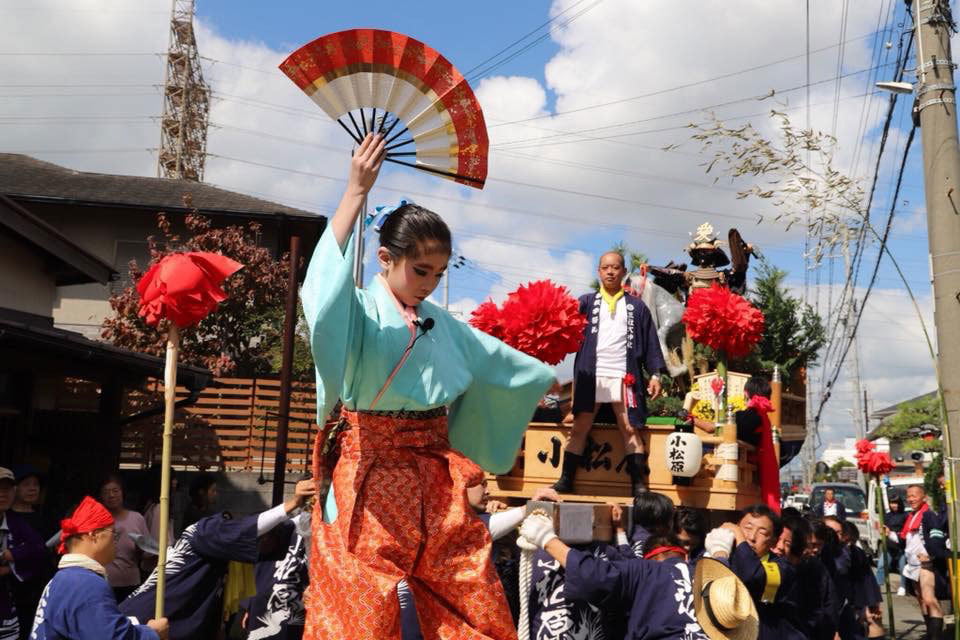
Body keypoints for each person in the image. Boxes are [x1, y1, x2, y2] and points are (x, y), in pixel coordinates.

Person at [298, 133, 554, 640]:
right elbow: (322, 300)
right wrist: (354, 191)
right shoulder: (360, 311)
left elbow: (501, 367)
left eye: (438, 273)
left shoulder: (443, 323)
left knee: (472, 599)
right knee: (359, 612)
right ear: (384, 259)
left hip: (436, 476)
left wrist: (550, 380)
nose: (429, 283)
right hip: (368, 474)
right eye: (420, 270)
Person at [120, 480, 314, 639]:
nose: (259, 546)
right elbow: (250, 528)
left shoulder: (219, 549)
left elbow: (287, 526)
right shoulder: (204, 533)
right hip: (144, 619)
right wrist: (292, 503)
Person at [517, 511, 754, 640]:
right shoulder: (709, 575)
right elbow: (722, 572)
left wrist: (545, 538)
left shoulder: (643, 571)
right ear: (683, 556)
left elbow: (594, 577)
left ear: (648, 556)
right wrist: (720, 550)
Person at [553, 250, 666, 496]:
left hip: (623, 373)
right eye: (605, 267)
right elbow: (559, 327)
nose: (611, 271)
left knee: (628, 427)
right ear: (599, 271)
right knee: (580, 426)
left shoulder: (637, 307)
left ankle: (638, 485)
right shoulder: (584, 302)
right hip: (590, 373)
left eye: (615, 267)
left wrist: (656, 374)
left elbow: (650, 343)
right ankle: (565, 480)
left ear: (624, 271)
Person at [29, 496, 167, 640]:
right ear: (94, 535)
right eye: (113, 534)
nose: (115, 541)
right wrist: (152, 633)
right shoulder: (85, 584)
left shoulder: (64, 578)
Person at [718, 505, 803, 640]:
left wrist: (740, 536)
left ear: (773, 541)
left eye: (762, 533)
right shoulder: (723, 556)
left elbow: (752, 576)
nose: (751, 537)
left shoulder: (780, 567)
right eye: (747, 528)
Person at [773, 517, 838, 640]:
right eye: (811, 544)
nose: (814, 550)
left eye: (819, 545)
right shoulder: (776, 564)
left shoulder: (817, 567)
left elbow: (829, 606)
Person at [1, 467, 46, 640]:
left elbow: (38, 548)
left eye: (7, 489)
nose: (3, 494)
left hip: (11, 604)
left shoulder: (16, 522)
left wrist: (10, 557)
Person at [901, 484, 948, 640]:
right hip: (912, 563)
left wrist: (931, 555)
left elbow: (937, 537)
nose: (910, 499)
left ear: (924, 497)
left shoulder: (928, 515)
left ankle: (936, 637)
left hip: (926, 563)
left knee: (929, 599)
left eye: (914, 495)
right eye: (908, 496)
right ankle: (930, 633)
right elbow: (909, 540)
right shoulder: (911, 516)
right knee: (921, 600)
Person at [97, 475, 151, 602]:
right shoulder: (95, 521)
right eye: (106, 492)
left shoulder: (137, 518)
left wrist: (142, 549)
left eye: (115, 491)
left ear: (122, 493)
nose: (111, 495)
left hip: (130, 584)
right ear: (100, 496)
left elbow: (146, 554)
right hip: (101, 583)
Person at [883, 497, 906, 585]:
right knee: (882, 566)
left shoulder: (905, 515)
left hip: (901, 546)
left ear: (900, 504)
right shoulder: (887, 515)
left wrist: (895, 534)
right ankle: (878, 586)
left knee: (902, 568)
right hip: (889, 546)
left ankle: (903, 587)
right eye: (891, 503)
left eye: (895, 503)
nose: (893, 505)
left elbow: (905, 531)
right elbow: (884, 527)